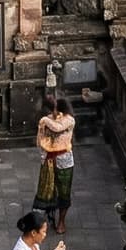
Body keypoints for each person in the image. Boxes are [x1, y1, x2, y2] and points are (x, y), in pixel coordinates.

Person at [33, 97, 76, 235]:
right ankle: (40, 220)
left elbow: (58, 128)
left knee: (64, 191)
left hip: (64, 161)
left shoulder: (69, 120)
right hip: (49, 160)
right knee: (45, 190)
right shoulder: (49, 119)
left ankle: (61, 221)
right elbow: (40, 140)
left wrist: (45, 120)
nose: (55, 112)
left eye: (56, 109)